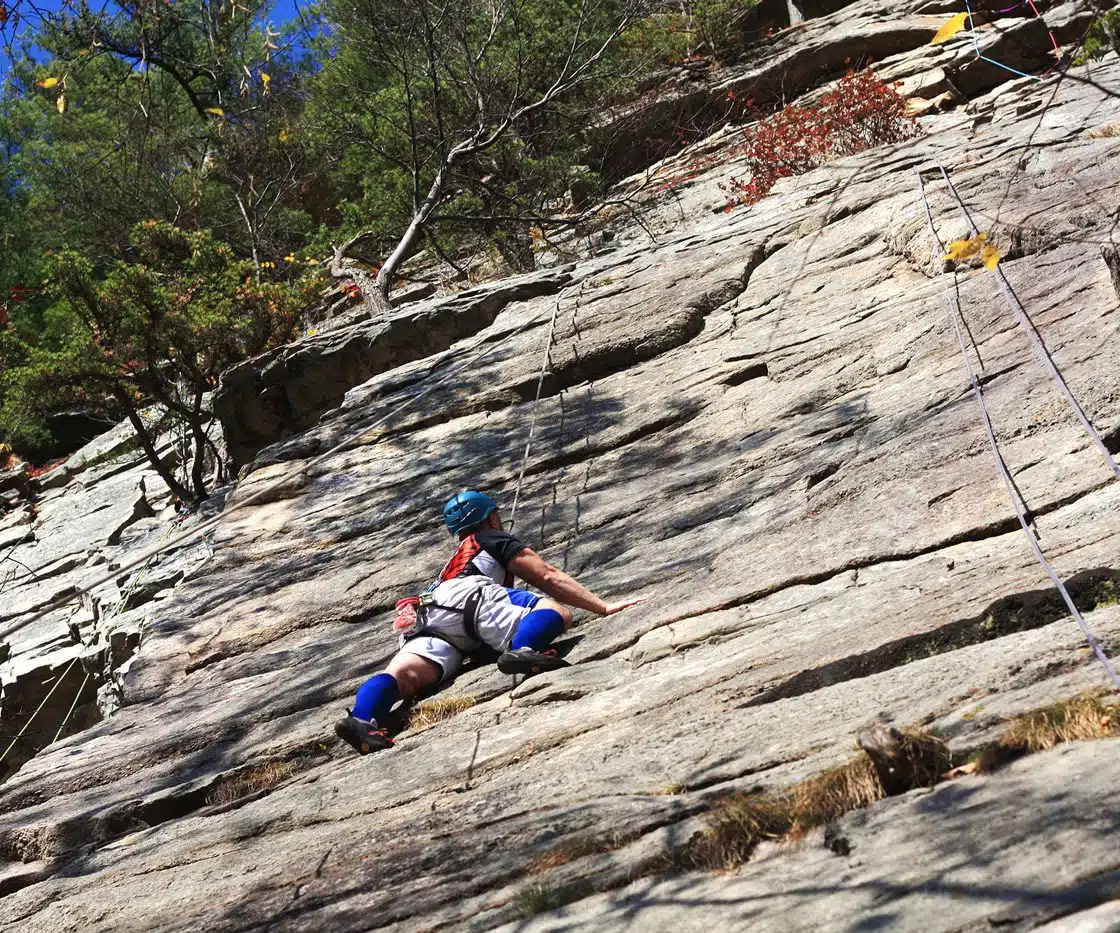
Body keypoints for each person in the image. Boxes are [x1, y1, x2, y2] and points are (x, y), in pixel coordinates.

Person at [335, 490, 643, 755]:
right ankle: (524, 648)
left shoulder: (452, 563)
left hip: (428, 610)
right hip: (470, 598)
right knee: (556, 611)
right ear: (492, 517)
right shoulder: (491, 537)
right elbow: (546, 575)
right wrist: (602, 607)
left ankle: (363, 720)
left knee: (403, 674)